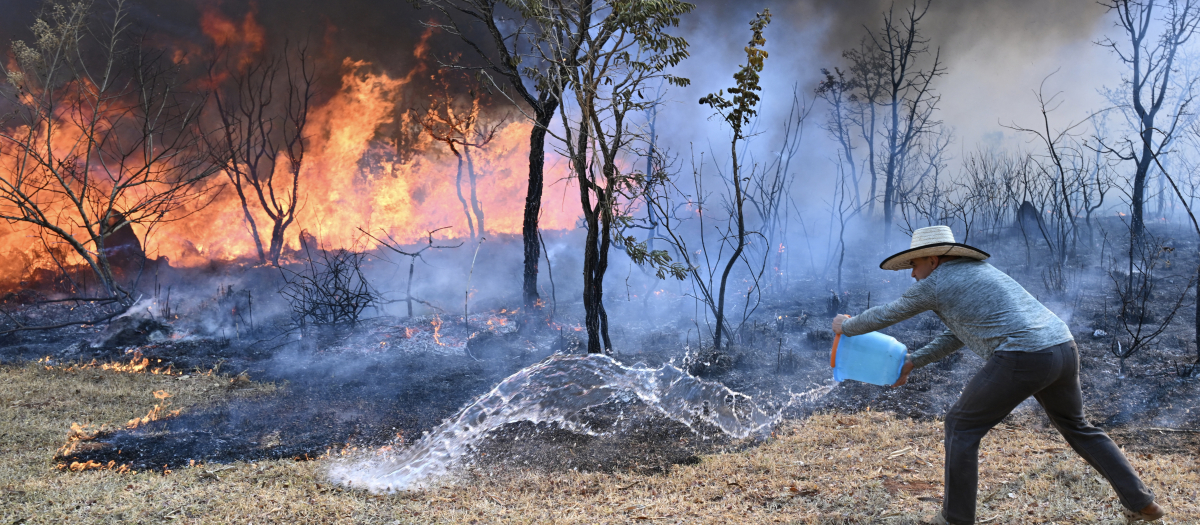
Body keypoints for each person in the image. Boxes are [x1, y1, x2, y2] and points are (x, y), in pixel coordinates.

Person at [831, 225, 1165, 525]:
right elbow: (958, 334)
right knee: (1078, 427)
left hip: (1025, 355)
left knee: (960, 425)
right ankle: (1142, 502)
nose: (913, 275)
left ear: (933, 260)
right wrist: (913, 362)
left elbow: (889, 314)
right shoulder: (979, 272)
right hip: (1062, 348)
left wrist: (845, 327)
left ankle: (956, 519)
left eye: (914, 265)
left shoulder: (937, 283)